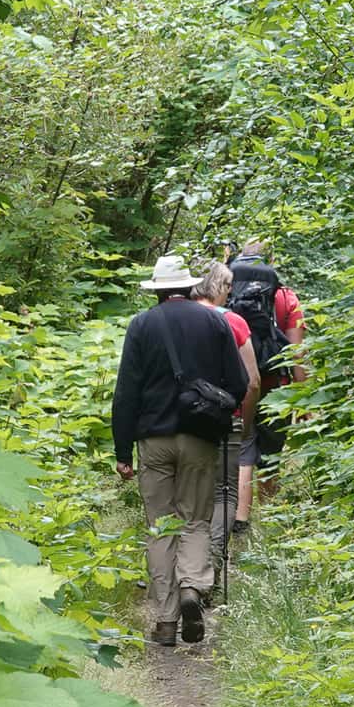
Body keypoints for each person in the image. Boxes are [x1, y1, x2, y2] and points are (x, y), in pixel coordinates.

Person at [111, 254, 252, 646]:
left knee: (160, 525)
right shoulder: (214, 321)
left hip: (152, 440)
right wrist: (215, 408)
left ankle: (167, 621)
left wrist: (123, 451)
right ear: (190, 286)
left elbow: (126, 393)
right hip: (200, 438)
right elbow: (239, 382)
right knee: (195, 519)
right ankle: (193, 587)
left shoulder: (141, 325)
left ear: (156, 291)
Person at [226, 240, 305, 541]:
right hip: (276, 388)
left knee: (242, 449)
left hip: (237, 386)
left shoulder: (228, 292)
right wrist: (304, 397)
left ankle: (237, 520)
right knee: (270, 455)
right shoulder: (285, 297)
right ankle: (269, 522)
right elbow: (296, 353)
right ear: (270, 262)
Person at [192, 261, 260, 569]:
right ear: (219, 286)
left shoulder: (175, 318)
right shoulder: (234, 322)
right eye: (228, 286)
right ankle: (214, 559)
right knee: (224, 493)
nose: (231, 292)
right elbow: (252, 380)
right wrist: (245, 423)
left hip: (184, 417)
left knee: (190, 493)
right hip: (225, 416)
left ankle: (186, 565)